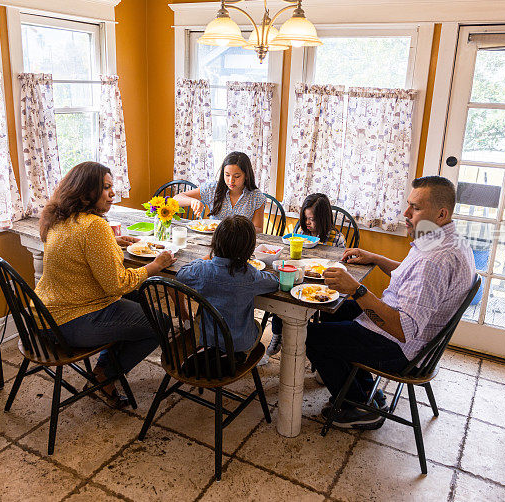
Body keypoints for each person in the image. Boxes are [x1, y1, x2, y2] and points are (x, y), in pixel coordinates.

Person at [306, 176, 475, 429]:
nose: (405, 213)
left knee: (312, 337)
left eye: (415, 208)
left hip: (403, 348)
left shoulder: (434, 261)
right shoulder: (446, 240)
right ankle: (364, 390)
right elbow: (411, 275)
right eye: (409, 205)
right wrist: (375, 258)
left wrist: (356, 289)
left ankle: (358, 406)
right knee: (333, 309)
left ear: (441, 214)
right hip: (411, 332)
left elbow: (402, 329)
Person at [35, 162, 175, 408]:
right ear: (86, 190)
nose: (112, 193)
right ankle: (103, 376)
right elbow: (117, 284)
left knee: (136, 299)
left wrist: (112, 241)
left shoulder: (61, 217)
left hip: (44, 316)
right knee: (159, 324)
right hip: (70, 322)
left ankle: (105, 366)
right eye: (106, 188)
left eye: (112, 187)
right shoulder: (95, 226)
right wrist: (156, 266)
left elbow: (79, 249)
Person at [176, 215, 278, 357]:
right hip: (240, 343)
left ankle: (213, 351)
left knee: (204, 319)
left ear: (215, 242)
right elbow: (273, 283)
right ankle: (234, 355)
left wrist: (204, 259)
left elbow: (181, 274)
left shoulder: (203, 270)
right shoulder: (250, 275)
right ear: (249, 249)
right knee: (256, 326)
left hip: (208, 339)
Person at [262, 193, 346, 363]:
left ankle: (323, 351)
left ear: (324, 219)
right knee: (284, 296)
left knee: (332, 309)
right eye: (305, 218)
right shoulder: (301, 232)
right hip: (301, 277)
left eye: (312, 219)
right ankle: (277, 334)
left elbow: (340, 265)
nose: (307, 223)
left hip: (324, 284)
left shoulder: (336, 239)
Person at [174, 151, 266, 232]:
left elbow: (258, 228)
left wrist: (234, 229)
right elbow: (176, 199)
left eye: (237, 176)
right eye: (227, 175)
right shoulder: (212, 189)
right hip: (213, 241)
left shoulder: (256, 196)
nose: (231, 181)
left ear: (246, 175)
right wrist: (192, 201)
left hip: (240, 243)